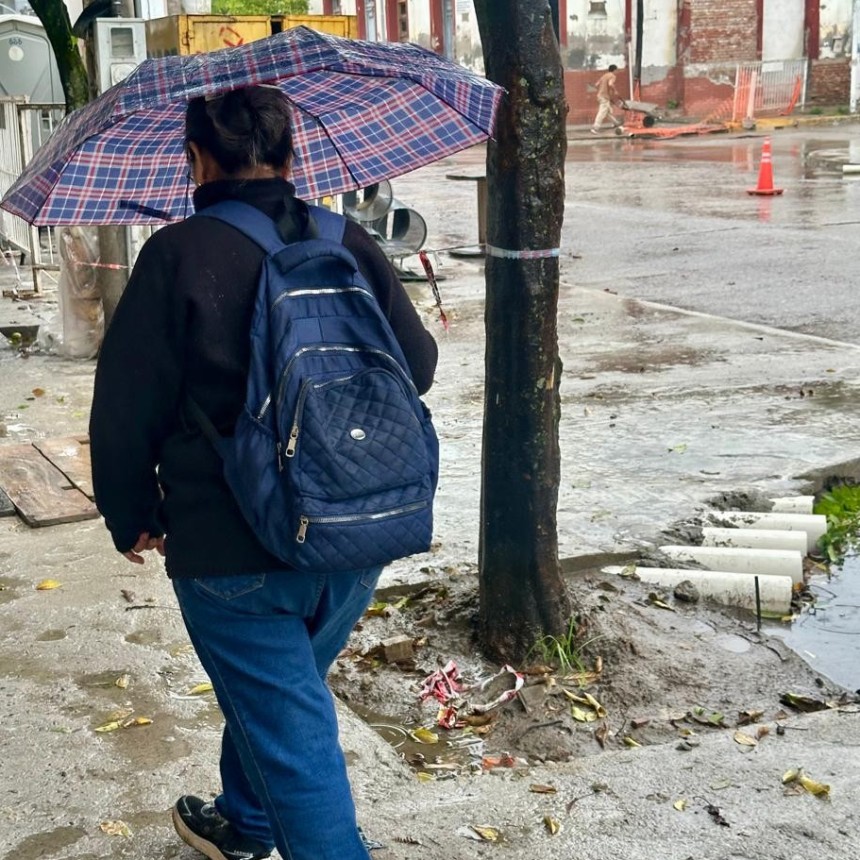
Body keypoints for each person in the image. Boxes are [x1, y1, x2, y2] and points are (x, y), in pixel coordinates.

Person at [89, 86, 438, 860]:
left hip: (231, 546)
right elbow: (418, 365)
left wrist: (133, 512)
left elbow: (124, 409)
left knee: (289, 725)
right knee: (282, 699)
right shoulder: (347, 239)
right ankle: (245, 825)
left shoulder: (177, 253)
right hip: (354, 531)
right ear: (292, 155)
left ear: (195, 160)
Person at [591, 64, 624, 134]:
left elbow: (596, 84)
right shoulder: (612, 76)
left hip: (600, 96)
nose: (616, 72)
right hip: (604, 97)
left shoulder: (604, 76)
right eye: (616, 70)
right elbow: (610, 84)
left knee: (607, 113)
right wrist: (615, 91)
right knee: (602, 112)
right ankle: (595, 128)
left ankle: (616, 123)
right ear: (614, 70)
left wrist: (602, 89)